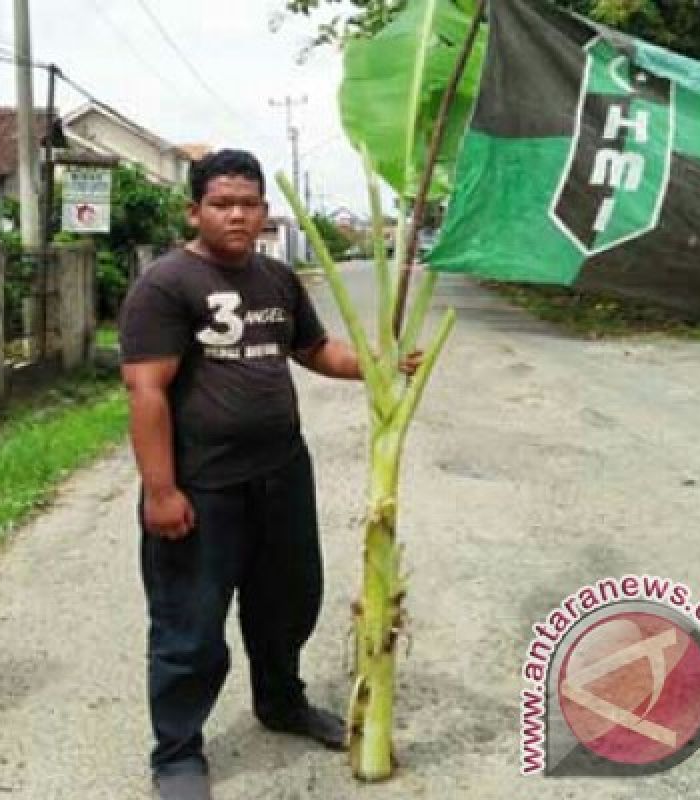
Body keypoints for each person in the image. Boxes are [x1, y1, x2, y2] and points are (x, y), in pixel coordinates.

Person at [119, 149, 420, 800]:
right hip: (203, 486)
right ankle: (176, 752)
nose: (236, 214)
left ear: (264, 211)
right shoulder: (166, 285)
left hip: (281, 474)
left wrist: (382, 362)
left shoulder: (277, 280)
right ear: (194, 209)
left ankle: (281, 703)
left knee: (288, 602)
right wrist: (162, 489)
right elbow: (146, 392)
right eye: (222, 203)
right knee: (190, 624)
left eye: (248, 203)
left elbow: (315, 351)